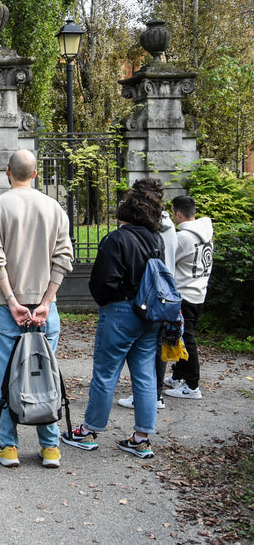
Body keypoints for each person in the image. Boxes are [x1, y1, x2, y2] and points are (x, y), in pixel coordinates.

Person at [0, 149, 73, 468]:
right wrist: (46, 301)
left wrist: (11, 300)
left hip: (9, 307)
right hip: (46, 308)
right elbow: (63, 258)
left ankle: (9, 446)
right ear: (35, 174)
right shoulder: (54, 207)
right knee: (44, 374)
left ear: (8, 172)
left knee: (10, 376)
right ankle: (50, 447)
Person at [62, 178, 167, 460]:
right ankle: (141, 438)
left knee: (106, 372)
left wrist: (110, 299)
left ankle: (89, 431)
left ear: (126, 213)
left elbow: (101, 283)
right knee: (145, 374)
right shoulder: (156, 239)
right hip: (151, 313)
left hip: (121, 311)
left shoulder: (116, 239)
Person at [116, 208, 177, 411]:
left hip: (147, 293)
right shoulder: (168, 229)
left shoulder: (144, 232)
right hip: (166, 292)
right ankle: (155, 396)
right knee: (156, 347)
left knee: (144, 355)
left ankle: (153, 395)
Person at [163, 195, 214, 400]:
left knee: (185, 337)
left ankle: (192, 385)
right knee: (181, 335)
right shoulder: (205, 233)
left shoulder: (184, 237)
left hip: (184, 293)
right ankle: (178, 375)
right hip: (199, 290)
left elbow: (167, 259)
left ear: (177, 212)